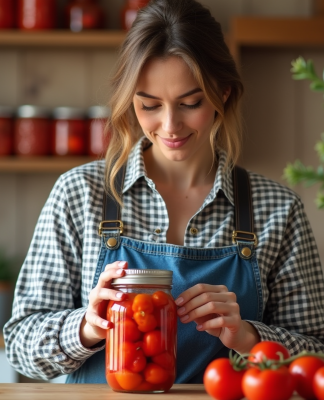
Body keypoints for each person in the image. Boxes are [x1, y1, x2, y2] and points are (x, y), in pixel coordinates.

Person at [4, 0, 324, 384]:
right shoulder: (80, 193)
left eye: (191, 103)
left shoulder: (277, 209)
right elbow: (19, 343)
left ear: (223, 93)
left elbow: (316, 353)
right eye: (150, 105)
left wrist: (248, 336)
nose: (170, 126)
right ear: (129, 100)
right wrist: (86, 328)